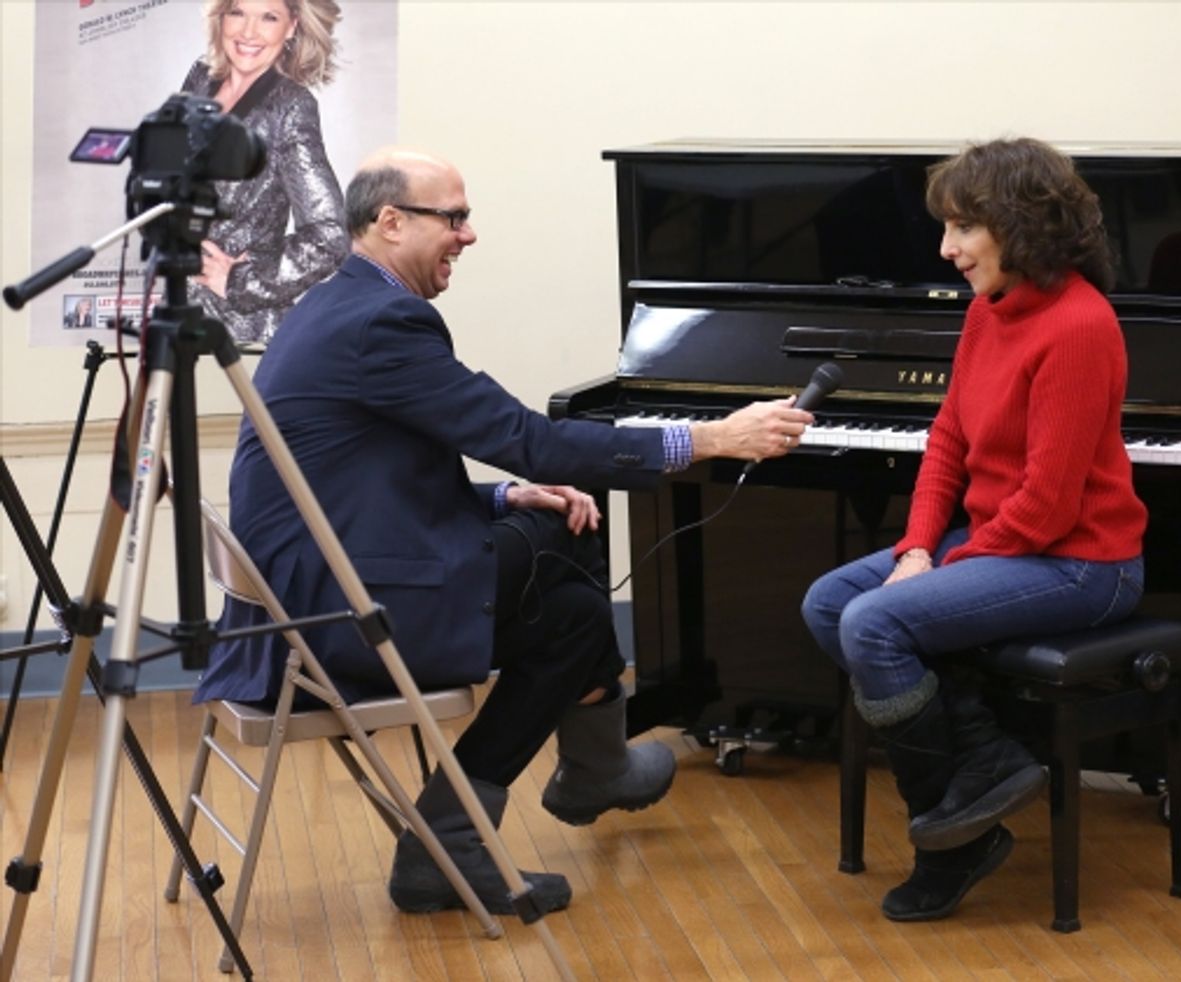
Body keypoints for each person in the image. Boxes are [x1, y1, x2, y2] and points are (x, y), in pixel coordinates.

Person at [194, 147, 814, 917]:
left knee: (571, 604)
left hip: (301, 603)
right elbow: (530, 439)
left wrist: (505, 497)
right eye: (453, 217)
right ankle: (585, 769)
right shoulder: (383, 321)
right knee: (570, 547)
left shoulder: (333, 304)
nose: (469, 234)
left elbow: (362, 480)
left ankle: (478, 829)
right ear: (391, 222)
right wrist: (712, 438)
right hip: (341, 616)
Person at [801, 137, 1148, 922]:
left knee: (873, 621)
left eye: (963, 227)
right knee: (829, 604)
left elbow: (1048, 510)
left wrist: (939, 570)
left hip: (1084, 563)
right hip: (1008, 543)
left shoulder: (1079, 326)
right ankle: (982, 755)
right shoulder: (988, 311)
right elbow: (949, 442)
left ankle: (947, 846)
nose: (945, 248)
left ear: (1020, 224)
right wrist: (918, 547)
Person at [182, 0, 349, 344]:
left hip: (243, 330)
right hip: (179, 312)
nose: (248, 32)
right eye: (237, 13)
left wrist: (242, 281)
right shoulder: (201, 78)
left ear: (291, 26)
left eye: (269, 18)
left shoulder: (290, 106)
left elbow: (330, 235)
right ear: (221, 17)